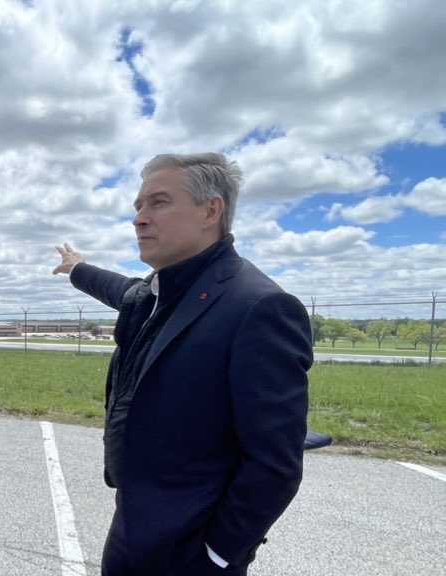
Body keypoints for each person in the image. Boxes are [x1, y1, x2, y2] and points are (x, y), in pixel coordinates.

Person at [53, 153, 312, 576]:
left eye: (158, 202)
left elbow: (274, 463)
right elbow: (119, 288)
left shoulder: (260, 307)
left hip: (191, 551)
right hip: (131, 527)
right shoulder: (158, 295)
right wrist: (76, 267)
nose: (139, 219)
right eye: (138, 206)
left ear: (211, 210)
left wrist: (217, 554)